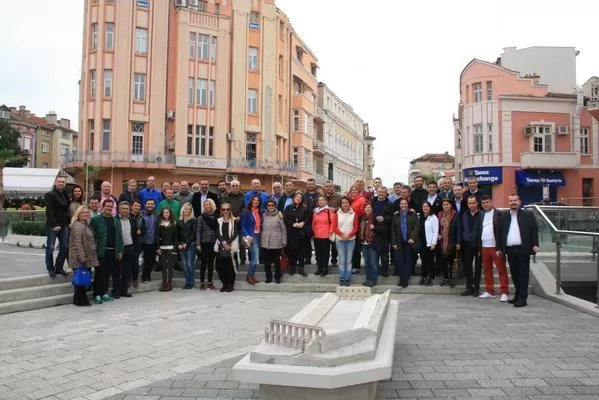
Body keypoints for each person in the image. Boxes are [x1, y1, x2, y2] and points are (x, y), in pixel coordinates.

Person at [498, 194, 539, 307]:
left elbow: (534, 230)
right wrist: (499, 248)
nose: (513, 203)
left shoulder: (528, 215)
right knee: (514, 274)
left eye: (515, 200)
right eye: (511, 201)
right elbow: (499, 233)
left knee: (523, 274)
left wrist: (535, 244)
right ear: (508, 203)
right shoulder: (504, 216)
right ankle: (517, 295)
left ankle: (523, 298)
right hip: (510, 250)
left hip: (523, 249)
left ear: (519, 202)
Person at [90, 198, 123, 304]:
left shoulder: (116, 221)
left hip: (112, 251)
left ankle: (103, 293)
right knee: (100, 273)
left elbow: (119, 237)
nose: (109, 208)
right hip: (101, 251)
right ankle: (97, 294)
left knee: (108, 273)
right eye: (107, 206)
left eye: (110, 206)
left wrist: (120, 251)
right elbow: (91, 236)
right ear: (102, 207)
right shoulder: (95, 220)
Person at [478, 195, 509, 302]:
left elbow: (503, 231)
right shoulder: (481, 215)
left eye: (487, 202)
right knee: (487, 270)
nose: (485, 204)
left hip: (496, 247)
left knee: (501, 270)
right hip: (484, 246)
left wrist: (500, 247)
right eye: (483, 203)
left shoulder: (500, 214)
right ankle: (490, 291)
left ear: (491, 202)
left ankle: (504, 292)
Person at [68, 205, 98, 306]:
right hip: (80, 258)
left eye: (87, 212)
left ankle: (77, 300)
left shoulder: (85, 224)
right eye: (83, 212)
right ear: (78, 214)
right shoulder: (77, 226)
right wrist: (82, 258)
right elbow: (77, 243)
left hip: (86, 257)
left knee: (81, 279)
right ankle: (82, 300)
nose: (85, 214)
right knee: (81, 280)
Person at [44, 175, 70, 277]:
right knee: (50, 247)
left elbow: (66, 209)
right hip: (53, 225)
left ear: (65, 183)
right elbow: (49, 211)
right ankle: (50, 269)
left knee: (64, 247)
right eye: (59, 181)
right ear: (55, 182)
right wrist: (54, 224)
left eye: (63, 182)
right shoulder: (50, 194)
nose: (61, 183)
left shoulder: (65, 194)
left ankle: (59, 268)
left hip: (64, 225)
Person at [391, 198, 420, 288]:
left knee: (407, 261)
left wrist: (412, 238)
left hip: (409, 242)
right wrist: (394, 243)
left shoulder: (413, 214)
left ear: (407, 205)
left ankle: (405, 280)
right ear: (399, 205)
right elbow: (393, 230)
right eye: (402, 204)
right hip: (399, 242)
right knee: (399, 261)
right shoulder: (396, 215)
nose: (403, 205)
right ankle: (401, 278)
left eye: (405, 204)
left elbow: (417, 227)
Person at [459, 195, 483, 297]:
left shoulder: (482, 214)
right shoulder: (465, 214)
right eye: (470, 203)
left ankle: (476, 289)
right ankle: (469, 288)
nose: (471, 205)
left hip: (478, 244)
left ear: (477, 203)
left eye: (473, 203)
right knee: (467, 267)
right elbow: (462, 228)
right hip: (467, 244)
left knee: (478, 267)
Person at [333, 196, 358, 286]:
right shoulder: (337, 214)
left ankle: (347, 278)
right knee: (342, 259)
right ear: (341, 204)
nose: (345, 204)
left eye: (346, 202)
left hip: (351, 240)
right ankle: (342, 277)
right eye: (343, 203)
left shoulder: (354, 214)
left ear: (349, 203)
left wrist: (348, 235)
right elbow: (334, 227)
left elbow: (355, 228)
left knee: (348, 260)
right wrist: (342, 235)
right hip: (340, 240)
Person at [283, 192, 309, 277]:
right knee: (293, 250)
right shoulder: (288, 207)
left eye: (300, 198)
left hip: (301, 232)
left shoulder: (304, 208)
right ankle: (293, 267)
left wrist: (303, 223)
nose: (298, 199)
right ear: (294, 198)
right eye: (297, 197)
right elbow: (285, 218)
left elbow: (307, 218)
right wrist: (292, 224)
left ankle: (301, 268)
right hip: (291, 231)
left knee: (301, 251)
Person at [261, 199, 287, 284]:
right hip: (265, 241)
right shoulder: (263, 215)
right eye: (269, 205)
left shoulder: (279, 216)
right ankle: (268, 277)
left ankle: (277, 277)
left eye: (272, 205)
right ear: (266, 207)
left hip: (277, 242)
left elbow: (283, 229)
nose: (271, 207)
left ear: (275, 206)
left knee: (277, 261)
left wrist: (284, 241)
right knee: (266, 262)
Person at [214, 202, 238, 292]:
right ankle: (224, 283)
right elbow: (217, 232)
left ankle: (230, 284)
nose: (225, 211)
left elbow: (235, 233)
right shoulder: (219, 220)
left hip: (231, 245)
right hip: (220, 245)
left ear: (230, 210)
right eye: (223, 209)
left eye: (227, 209)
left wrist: (228, 243)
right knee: (220, 267)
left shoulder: (234, 220)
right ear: (221, 210)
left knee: (230, 267)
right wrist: (223, 242)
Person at [114, 201, 136, 298]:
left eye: (126, 209)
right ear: (119, 209)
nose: (125, 210)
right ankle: (116, 291)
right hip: (119, 248)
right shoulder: (115, 220)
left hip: (129, 247)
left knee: (127, 271)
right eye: (123, 208)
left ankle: (124, 290)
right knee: (117, 271)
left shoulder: (132, 220)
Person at [196, 198, 218, 289]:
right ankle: (202, 282)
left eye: (210, 204)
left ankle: (209, 282)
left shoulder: (216, 217)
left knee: (211, 264)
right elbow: (198, 231)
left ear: (213, 206)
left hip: (213, 243)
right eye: (206, 204)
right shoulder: (201, 217)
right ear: (204, 206)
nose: (208, 206)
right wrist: (198, 244)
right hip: (204, 243)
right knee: (203, 264)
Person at [241, 195, 263, 284]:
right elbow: (242, 226)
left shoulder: (259, 212)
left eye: (257, 200)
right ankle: (249, 276)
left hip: (258, 235)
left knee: (254, 258)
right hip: (251, 236)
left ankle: (252, 275)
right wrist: (247, 236)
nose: (256, 201)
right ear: (251, 201)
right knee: (255, 258)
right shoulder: (246, 211)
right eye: (254, 200)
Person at [156, 207, 177, 292]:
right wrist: (158, 247)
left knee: (170, 266)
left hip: (171, 248)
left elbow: (176, 237)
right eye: (164, 212)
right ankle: (164, 283)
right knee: (164, 266)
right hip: (162, 248)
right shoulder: (160, 223)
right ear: (162, 214)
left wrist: (175, 249)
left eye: (167, 212)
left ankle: (169, 284)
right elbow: (157, 237)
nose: (166, 214)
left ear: (170, 213)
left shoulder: (173, 223)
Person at [312, 195, 334, 277]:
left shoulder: (329, 211)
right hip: (317, 235)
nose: (321, 201)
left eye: (322, 200)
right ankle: (319, 268)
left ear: (326, 201)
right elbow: (313, 223)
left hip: (326, 236)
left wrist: (330, 232)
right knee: (318, 253)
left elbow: (333, 223)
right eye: (320, 200)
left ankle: (325, 269)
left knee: (325, 253)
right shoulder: (315, 212)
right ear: (318, 202)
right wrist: (313, 232)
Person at [359, 203, 380, 287]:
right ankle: (368, 279)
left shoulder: (375, 218)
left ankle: (373, 280)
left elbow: (382, 229)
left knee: (373, 263)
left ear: (372, 209)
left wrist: (374, 227)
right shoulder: (361, 218)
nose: (367, 209)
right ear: (364, 209)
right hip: (363, 243)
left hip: (372, 243)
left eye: (369, 207)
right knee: (367, 263)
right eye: (366, 208)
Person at [419, 201, 438, 286]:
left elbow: (436, 231)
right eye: (424, 206)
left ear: (430, 208)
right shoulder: (420, 217)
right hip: (422, 243)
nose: (425, 208)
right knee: (424, 261)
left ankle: (431, 278)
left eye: (427, 206)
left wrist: (434, 243)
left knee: (430, 261)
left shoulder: (433, 217)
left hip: (430, 243)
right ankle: (423, 277)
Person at [177, 203, 196, 289]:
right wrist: (179, 244)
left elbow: (193, 234)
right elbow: (177, 234)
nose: (187, 210)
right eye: (186, 209)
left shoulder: (193, 220)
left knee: (189, 264)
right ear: (183, 210)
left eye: (189, 209)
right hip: (181, 245)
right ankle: (187, 282)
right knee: (184, 265)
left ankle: (191, 282)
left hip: (190, 245)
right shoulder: (179, 221)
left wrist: (186, 243)